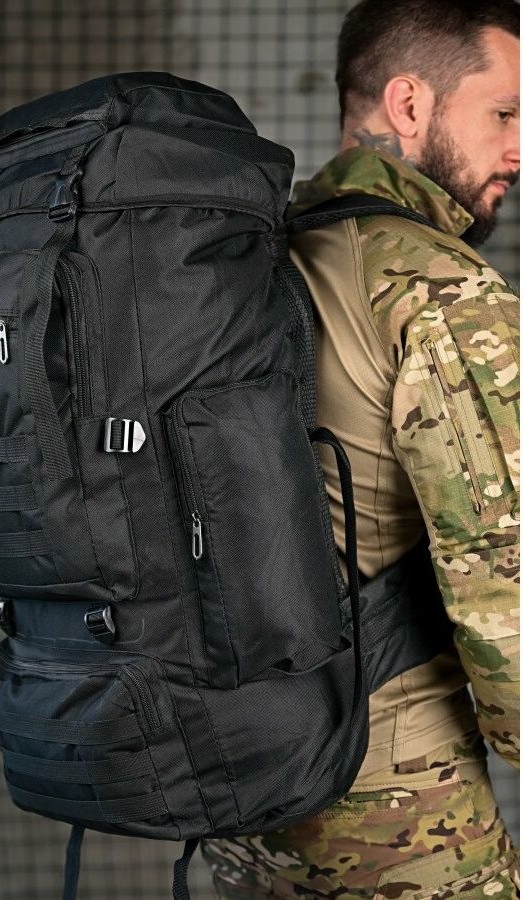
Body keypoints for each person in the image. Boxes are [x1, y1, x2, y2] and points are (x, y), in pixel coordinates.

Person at [200, 1, 520, 896]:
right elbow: (506, 578)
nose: (519, 149)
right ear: (409, 104)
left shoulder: (255, 256)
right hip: (400, 814)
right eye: (504, 112)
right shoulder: (440, 289)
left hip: (239, 787)